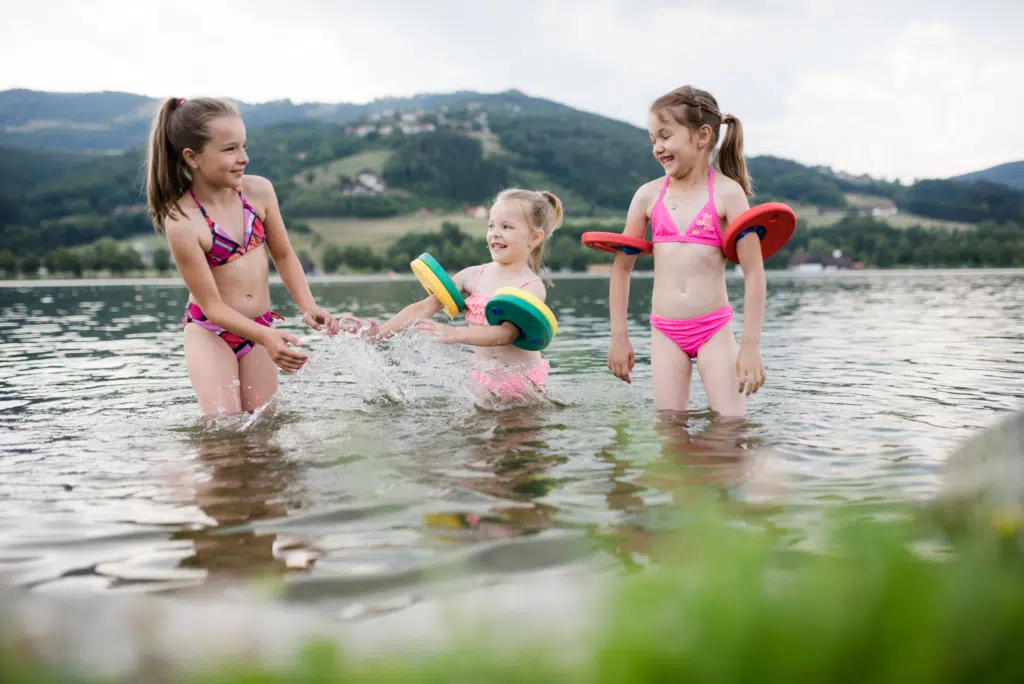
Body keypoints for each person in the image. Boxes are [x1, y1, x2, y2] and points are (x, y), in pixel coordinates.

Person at [146, 96, 341, 418]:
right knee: (225, 427)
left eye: (244, 146)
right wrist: (266, 337)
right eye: (229, 149)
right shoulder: (182, 221)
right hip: (211, 331)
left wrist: (308, 307)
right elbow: (212, 306)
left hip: (260, 326)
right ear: (192, 157)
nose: (244, 158)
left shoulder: (259, 192)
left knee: (263, 430)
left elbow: (283, 254)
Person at [607, 85, 767, 417]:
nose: (657, 147)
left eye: (664, 136)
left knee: (730, 428)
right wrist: (619, 338)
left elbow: (754, 271)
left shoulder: (728, 193)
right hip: (665, 330)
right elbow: (621, 269)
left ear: (702, 135)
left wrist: (750, 347)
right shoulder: (647, 197)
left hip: (714, 329)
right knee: (668, 429)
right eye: (652, 139)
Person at [353, 188, 562, 401]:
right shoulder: (472, 276)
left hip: (520, 383)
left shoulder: (531, 286)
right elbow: (424, 308)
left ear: (535, 238)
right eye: (491, 225)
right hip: (481, 379)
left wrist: (453, 335)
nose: (495, 233)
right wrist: (379, 333)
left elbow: (506, 334)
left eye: (507, 226)